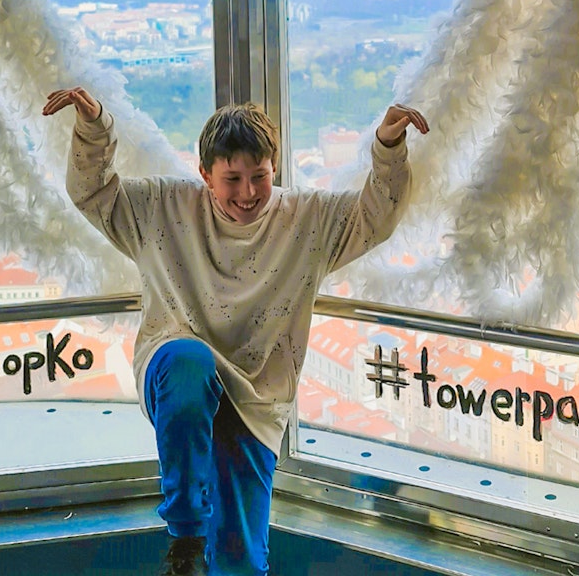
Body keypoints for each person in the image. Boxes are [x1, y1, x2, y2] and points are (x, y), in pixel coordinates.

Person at [43, 87, 428, 576]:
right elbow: (93, 192)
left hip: (256, 394)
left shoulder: (306, 219)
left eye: (259, 177)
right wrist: (93, 127)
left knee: (240, 559)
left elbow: (375, 215)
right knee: (189, 363)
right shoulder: (164, 206)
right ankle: (185, 540)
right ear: (205, 175)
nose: (247, 194)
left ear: (275, 170)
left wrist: (388, 145)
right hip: (177, 365)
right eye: (232, 179)